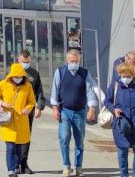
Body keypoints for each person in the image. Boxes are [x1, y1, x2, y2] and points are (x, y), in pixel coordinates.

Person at [50, 49, 98, 177]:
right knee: (64, 138)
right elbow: (55, 89)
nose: (74, 63)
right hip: (64, 111)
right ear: (67, 60)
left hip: (80, 112)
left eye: (76, 61)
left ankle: (78, 167)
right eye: (72, 61)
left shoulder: (84, 73)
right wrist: (54, 108)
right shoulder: (60, 72)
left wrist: (92, 109)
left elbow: (90, 91)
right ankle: (66, 166)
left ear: (80, 61)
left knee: (79, 141)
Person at [105, 62, 135, 177]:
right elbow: (107, 101)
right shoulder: (115, 86)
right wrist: (114, 109)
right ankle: (124, 174)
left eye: (128, 76)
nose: (125, 78)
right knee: (122, 151)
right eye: (123, 76)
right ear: (119, 75)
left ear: (132, 75)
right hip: (121, 125)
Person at [0, 63, 37, 177]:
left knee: (19, 146)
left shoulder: (28, 86)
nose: (18, 78)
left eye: (20, 76)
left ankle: (16, 166)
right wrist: (2, 103)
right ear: (11, 76)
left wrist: (28, 108)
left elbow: (32, 101)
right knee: (10, 147)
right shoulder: (3, 84)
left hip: (21, 119)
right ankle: (11, 170)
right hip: (8, 120)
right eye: (16, 76)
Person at [15, 51, 46, 174]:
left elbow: (39, 91)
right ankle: (15, 164)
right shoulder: (12, 72)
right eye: (23, 61)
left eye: (27, 62)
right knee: (16, 137)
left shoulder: (34, 74)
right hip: (15, 111)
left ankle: (24, 164)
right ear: (18, 59)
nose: (25, 64)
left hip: (29, 110)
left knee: (26, 137)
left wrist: (39, 107)